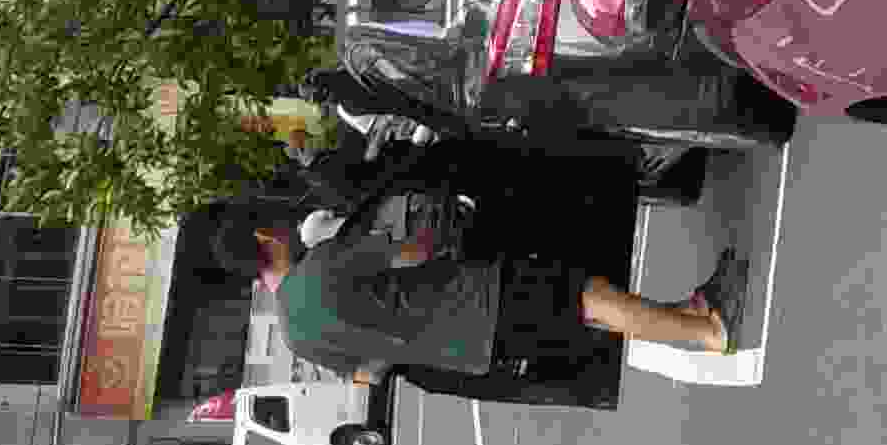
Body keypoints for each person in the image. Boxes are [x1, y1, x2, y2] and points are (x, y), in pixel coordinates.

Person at [255, 161, 747, 382]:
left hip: (465, 354)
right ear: (265, 243)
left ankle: (690, 313)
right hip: (476, 296)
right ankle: (705, 331)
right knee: (587, 297)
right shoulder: (321, 264)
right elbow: (409, 252)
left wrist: (401, 335)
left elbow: (369, 375)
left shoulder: (297, 337)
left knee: (584, 309)